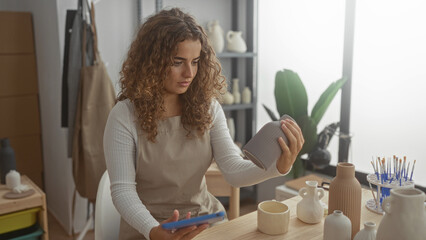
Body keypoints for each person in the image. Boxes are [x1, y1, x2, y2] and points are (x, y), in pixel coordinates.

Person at [103, 7, 304, 240]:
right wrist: (154, 231)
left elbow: (234, 171)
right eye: (178, 62)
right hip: (150, 228)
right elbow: (122, 191)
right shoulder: (123, 116)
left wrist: (278, 167)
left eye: (195, 62)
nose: (189, 73)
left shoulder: (207, 107)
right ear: (152, 62)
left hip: (204, 220)